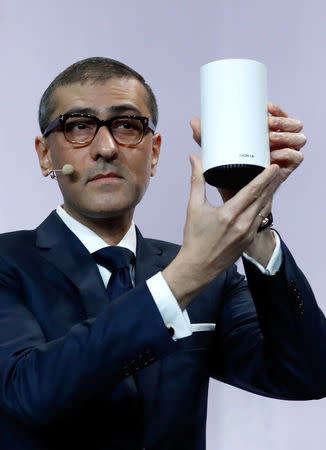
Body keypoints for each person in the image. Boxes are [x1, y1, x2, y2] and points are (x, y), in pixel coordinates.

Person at [0, 57, 324, 450]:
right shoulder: (10, 262)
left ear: (153, 153)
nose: (106, 148)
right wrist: (182, 280)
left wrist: (252, 220)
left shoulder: (209, 275)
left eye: (126, 125)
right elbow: (28, 395)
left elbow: (306, 373)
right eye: (79, 127)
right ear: (45, 155)